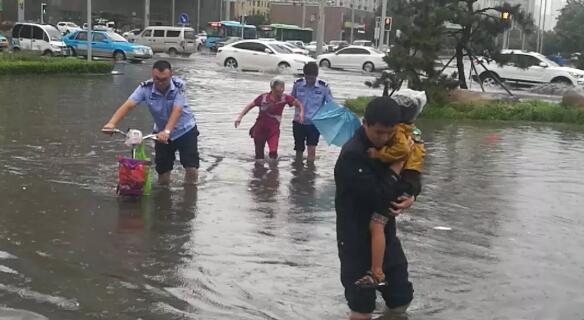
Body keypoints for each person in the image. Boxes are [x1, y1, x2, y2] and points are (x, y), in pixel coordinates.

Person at [335, 96, 416, 319]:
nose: (384, 138)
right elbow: (378, 196)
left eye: (389, 133)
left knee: (401, 300)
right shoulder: (353, 154)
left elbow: (411, 176)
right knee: (362, 308)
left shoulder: (396, 144)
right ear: (365, 123)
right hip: (355, 239)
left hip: (386, 236)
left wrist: (411, 196)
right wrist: (397, 165)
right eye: (379, 132)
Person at [355, 91, 426, 290]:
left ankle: (377, 271)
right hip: (412, 179)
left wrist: (379, 154)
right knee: (381, 224)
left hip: (405, 179)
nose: (385, 136)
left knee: (377, 225)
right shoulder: (414, 131)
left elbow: (402, 151)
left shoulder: (400, 134)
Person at [102, 60, 199, 185]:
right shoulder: (145, 88)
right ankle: (164, 198)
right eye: (156, 79)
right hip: (160, 133)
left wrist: (167, 131)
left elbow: (177, 110)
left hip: (185, 130)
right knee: (163, 173)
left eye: (164, 79)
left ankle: (190, 196)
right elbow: (129, 105)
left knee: (191, 168)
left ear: (171, 76)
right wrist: (111, 123)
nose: (159, 83)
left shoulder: (179, 86)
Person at [235, 77, 304, 160]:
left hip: (273, 131)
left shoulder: (285, 98)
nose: (282, 90)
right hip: (260, 130)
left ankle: (274, 171)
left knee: (273, 153)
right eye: (280, 88)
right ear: (272, 88)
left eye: (283, 88)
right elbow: (250, 106)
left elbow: (299, 104)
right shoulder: (263, 98)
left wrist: (301, 113)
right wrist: (239, 117)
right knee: (259, 158)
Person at [290, 62, 333, 162]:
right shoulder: (298, 84)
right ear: (304, 75)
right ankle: (298, 169)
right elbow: (291, 99)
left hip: (314, 124)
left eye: (312, 78)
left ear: (316, 76)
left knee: (312, 148)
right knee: (299, 149)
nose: (309, 80)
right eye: (307, 77)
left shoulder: (324, 87)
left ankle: (310, 171)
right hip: (298, 122)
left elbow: (330, 104)